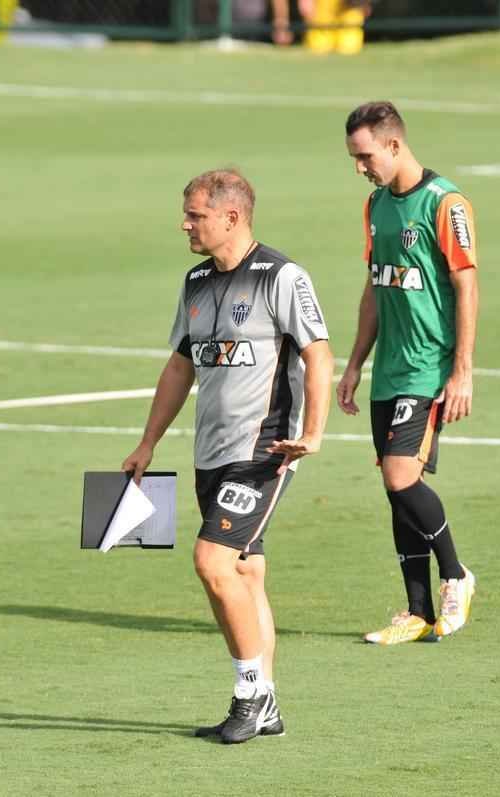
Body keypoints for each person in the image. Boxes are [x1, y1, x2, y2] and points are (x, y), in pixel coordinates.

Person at [122, 169, 333, 743]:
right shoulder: (194, 281)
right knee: (244, 572)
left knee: (212, 562)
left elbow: (318, 355)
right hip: (211, 452)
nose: (184, 223)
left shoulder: (281, 276)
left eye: (195, 215)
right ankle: (267, 703)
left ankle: (249, 694)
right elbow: (180, 366)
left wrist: (313, 432)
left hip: (266, 450)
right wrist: (147, 444)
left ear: (232, 217)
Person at [335, 101, 479, 646]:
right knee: (395, 489)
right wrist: (353, 364)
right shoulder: (375, 206)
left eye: (365, 155)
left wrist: (462, 370)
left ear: (394, 145)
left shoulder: (446, 203)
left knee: (401, 476)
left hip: (427, 366)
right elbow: (376, 286)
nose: (360, 168)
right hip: (389, 369)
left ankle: (456, 575)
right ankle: (417, 611)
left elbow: (466, 284)